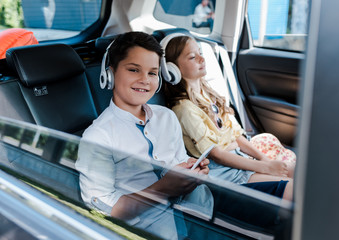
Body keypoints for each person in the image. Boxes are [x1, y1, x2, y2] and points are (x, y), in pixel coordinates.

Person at [76, 31, 292, 240]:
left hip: (204, 204)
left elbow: (178, 162)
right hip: (158, 228)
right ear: (110, 72)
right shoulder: (98, 137)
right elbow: (103, 211)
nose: (145, 79)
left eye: (152, 72)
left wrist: (193, 169)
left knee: (295, 195)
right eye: (134, 70)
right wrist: (162, 189)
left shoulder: (166, 117)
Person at [162, 34, 296, 188]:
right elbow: (217, 155)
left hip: (240, 158)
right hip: (226, 171)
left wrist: (266, 161)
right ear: (172, 69)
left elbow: (236, 136)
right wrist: (266, 168)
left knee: (299, 173)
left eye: (201, 53)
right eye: (192, 57)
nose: (202, 59)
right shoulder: (184, 109)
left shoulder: (208, 94)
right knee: (294, 187)